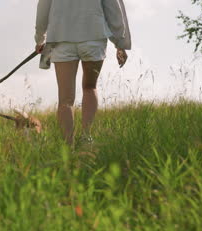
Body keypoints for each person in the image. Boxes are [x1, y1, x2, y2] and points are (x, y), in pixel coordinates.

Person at [35, 0, 131, 145]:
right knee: (90, 87)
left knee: (65, 100)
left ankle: (67, 147)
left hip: (61, 38)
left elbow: (43, 6)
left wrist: (40, 38)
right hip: (94, 35)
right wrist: (120, 42)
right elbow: (113, 8)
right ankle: (86, 138)